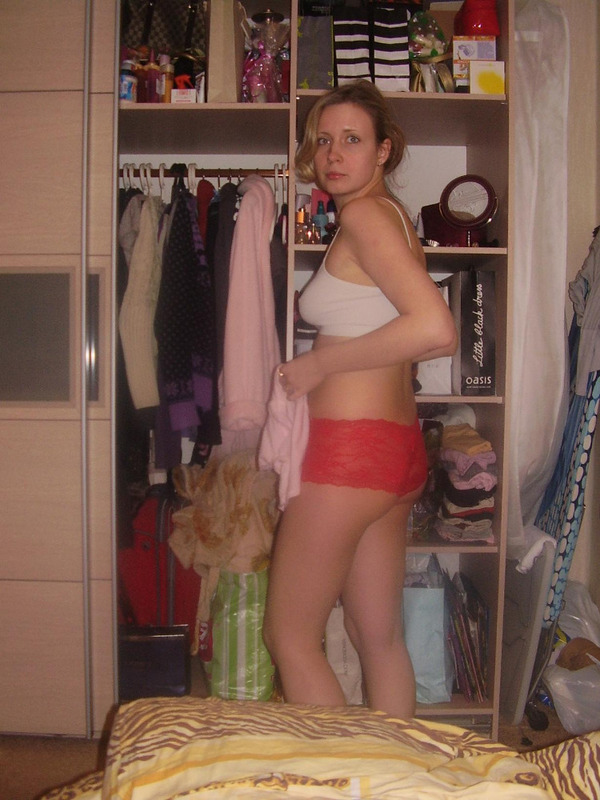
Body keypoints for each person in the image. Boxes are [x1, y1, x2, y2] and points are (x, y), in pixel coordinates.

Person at [262, 80, 457, 718]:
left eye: (352, 139)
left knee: (289, 637)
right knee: (377, 637)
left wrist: (318, 363)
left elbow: (436, 330)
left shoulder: (364, 216)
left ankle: (338, 770)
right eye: (323, 141)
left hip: (349, 456)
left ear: (383, 151)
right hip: (396, 454)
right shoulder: (394, 216)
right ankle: (392, 769)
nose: (333, 153)